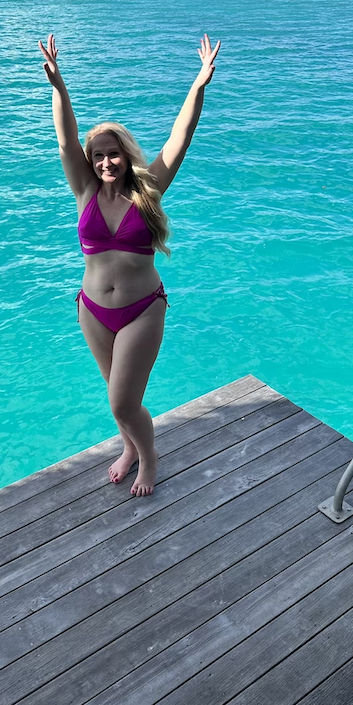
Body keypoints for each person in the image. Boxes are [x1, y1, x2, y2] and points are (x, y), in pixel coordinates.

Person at [39, 32, 220, 496]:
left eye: (112, 153)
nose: (105, 162)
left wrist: (198, 84)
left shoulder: (150, 189)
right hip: (92, 310)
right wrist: (59, 89)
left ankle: (149, 458)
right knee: (118, 395)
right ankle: (129, 448)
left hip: (142, 309)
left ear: (125, 154)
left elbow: (181, 138)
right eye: (97, 156)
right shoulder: (84, 191)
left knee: (122, 402)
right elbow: (65, 141)